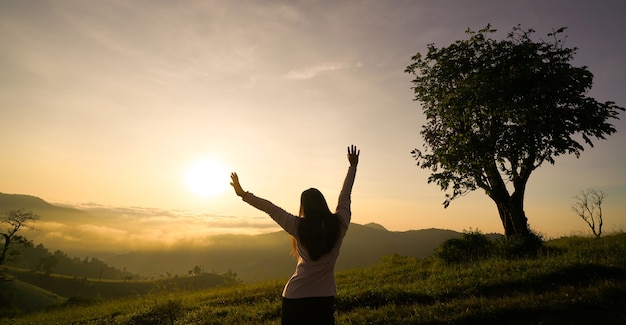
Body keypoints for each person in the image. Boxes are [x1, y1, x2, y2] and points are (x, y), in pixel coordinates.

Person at [230, 145, 360, 325]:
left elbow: (271, 208)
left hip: (295, 297)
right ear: (322, 203)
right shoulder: (339, 224)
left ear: (304, 207)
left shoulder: (298, 226)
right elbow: (345, 195)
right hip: (324, 299)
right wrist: (353, 167)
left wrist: (243, 194)